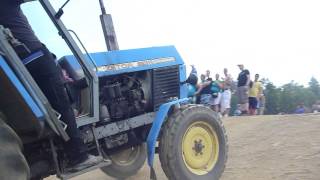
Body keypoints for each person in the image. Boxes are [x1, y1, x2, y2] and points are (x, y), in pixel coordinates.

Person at [0, 0, 102, 171]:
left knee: (55, 104)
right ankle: (78, 156)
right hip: (36, 57)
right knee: (62, 103)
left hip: (21, 65)